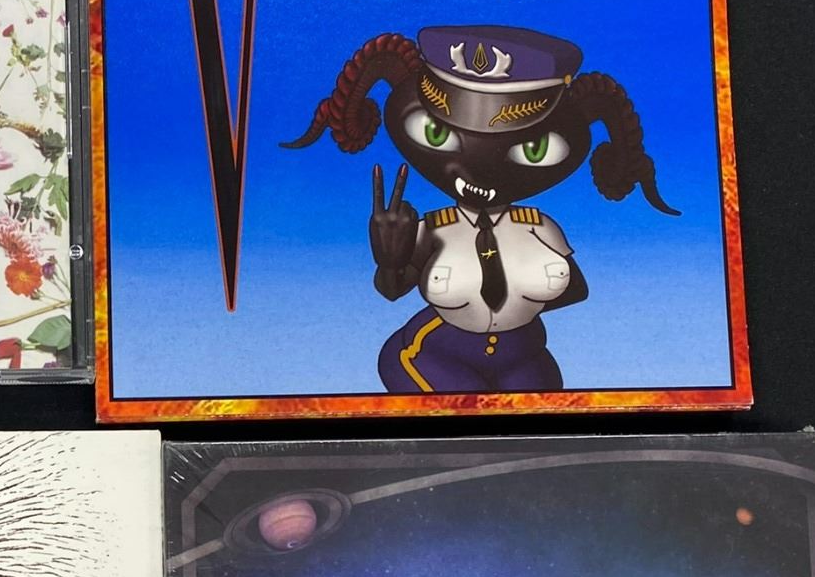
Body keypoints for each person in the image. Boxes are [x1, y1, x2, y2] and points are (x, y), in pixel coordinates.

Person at [281, 25, 677, 394]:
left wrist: (516, 307)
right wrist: (390, 260)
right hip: (436, 349)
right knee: (464, 407)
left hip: (524, 351)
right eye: (436, 133)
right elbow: (391, 291)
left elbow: (576, 290)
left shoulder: (538, 227)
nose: (477, 173)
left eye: (534, 149)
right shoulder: (434, 229)